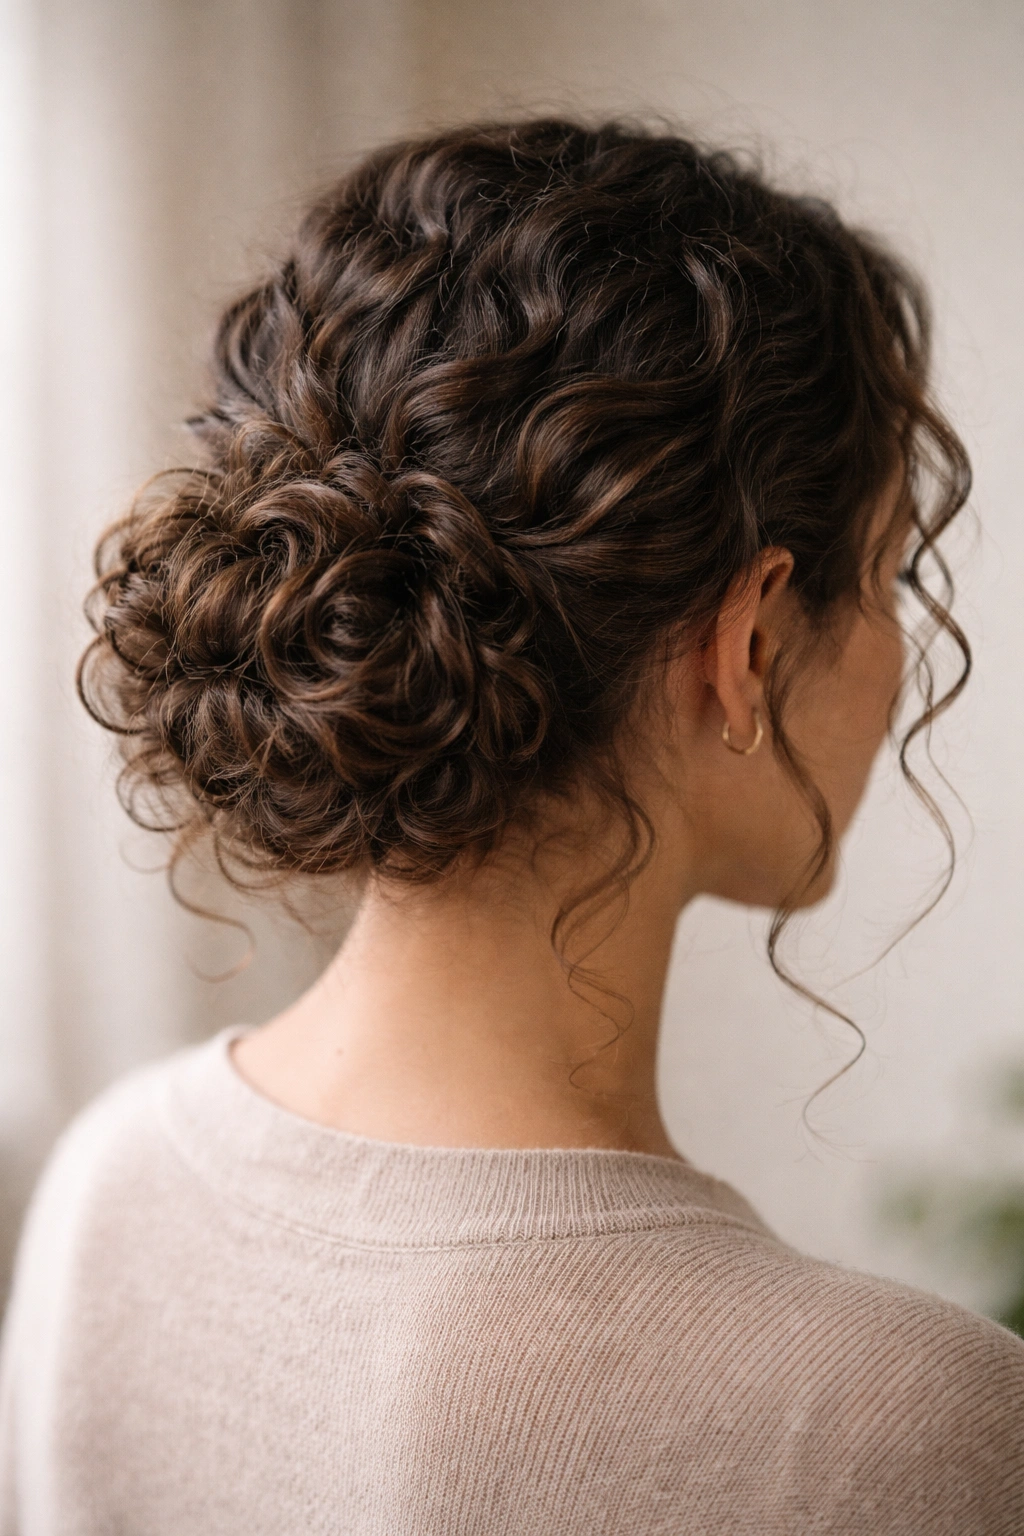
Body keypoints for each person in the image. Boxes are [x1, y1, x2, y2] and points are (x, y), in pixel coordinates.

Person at [2, 118, 1022, 1535]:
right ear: (744, 645)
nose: (902, 654)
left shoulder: (109, 1186)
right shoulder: (904, 1427)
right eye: (883, 577)